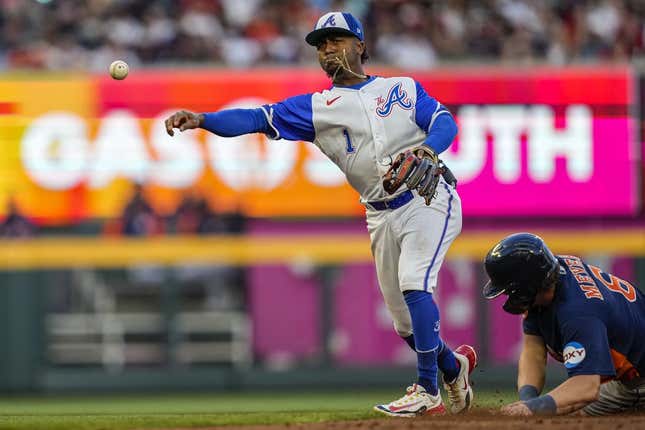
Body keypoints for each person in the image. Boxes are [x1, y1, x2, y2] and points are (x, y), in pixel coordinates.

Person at [164, 11, 476, 416]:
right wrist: (204, 120)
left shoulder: (400, 87)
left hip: (428, 197)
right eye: (321, 44)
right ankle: (454, 368)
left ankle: (426, 389)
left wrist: (427, 149)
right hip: (380, 214)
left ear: (360, 45)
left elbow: (444, 122)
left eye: (337, 39)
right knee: (405, 324)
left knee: (415, 285)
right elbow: (257, 118)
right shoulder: (316, 107)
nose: (328, 49)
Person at [483, 232, 645, 416]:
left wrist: (532, 408)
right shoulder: (548, 275)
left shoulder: (579, 313)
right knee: (556, 410)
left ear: (525, 287)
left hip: (638, 381)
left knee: (559, 410)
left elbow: (586, 387)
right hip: (623, 382)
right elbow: (533, 350)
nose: (508, 297)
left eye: (509, 290)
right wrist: (528, 400)